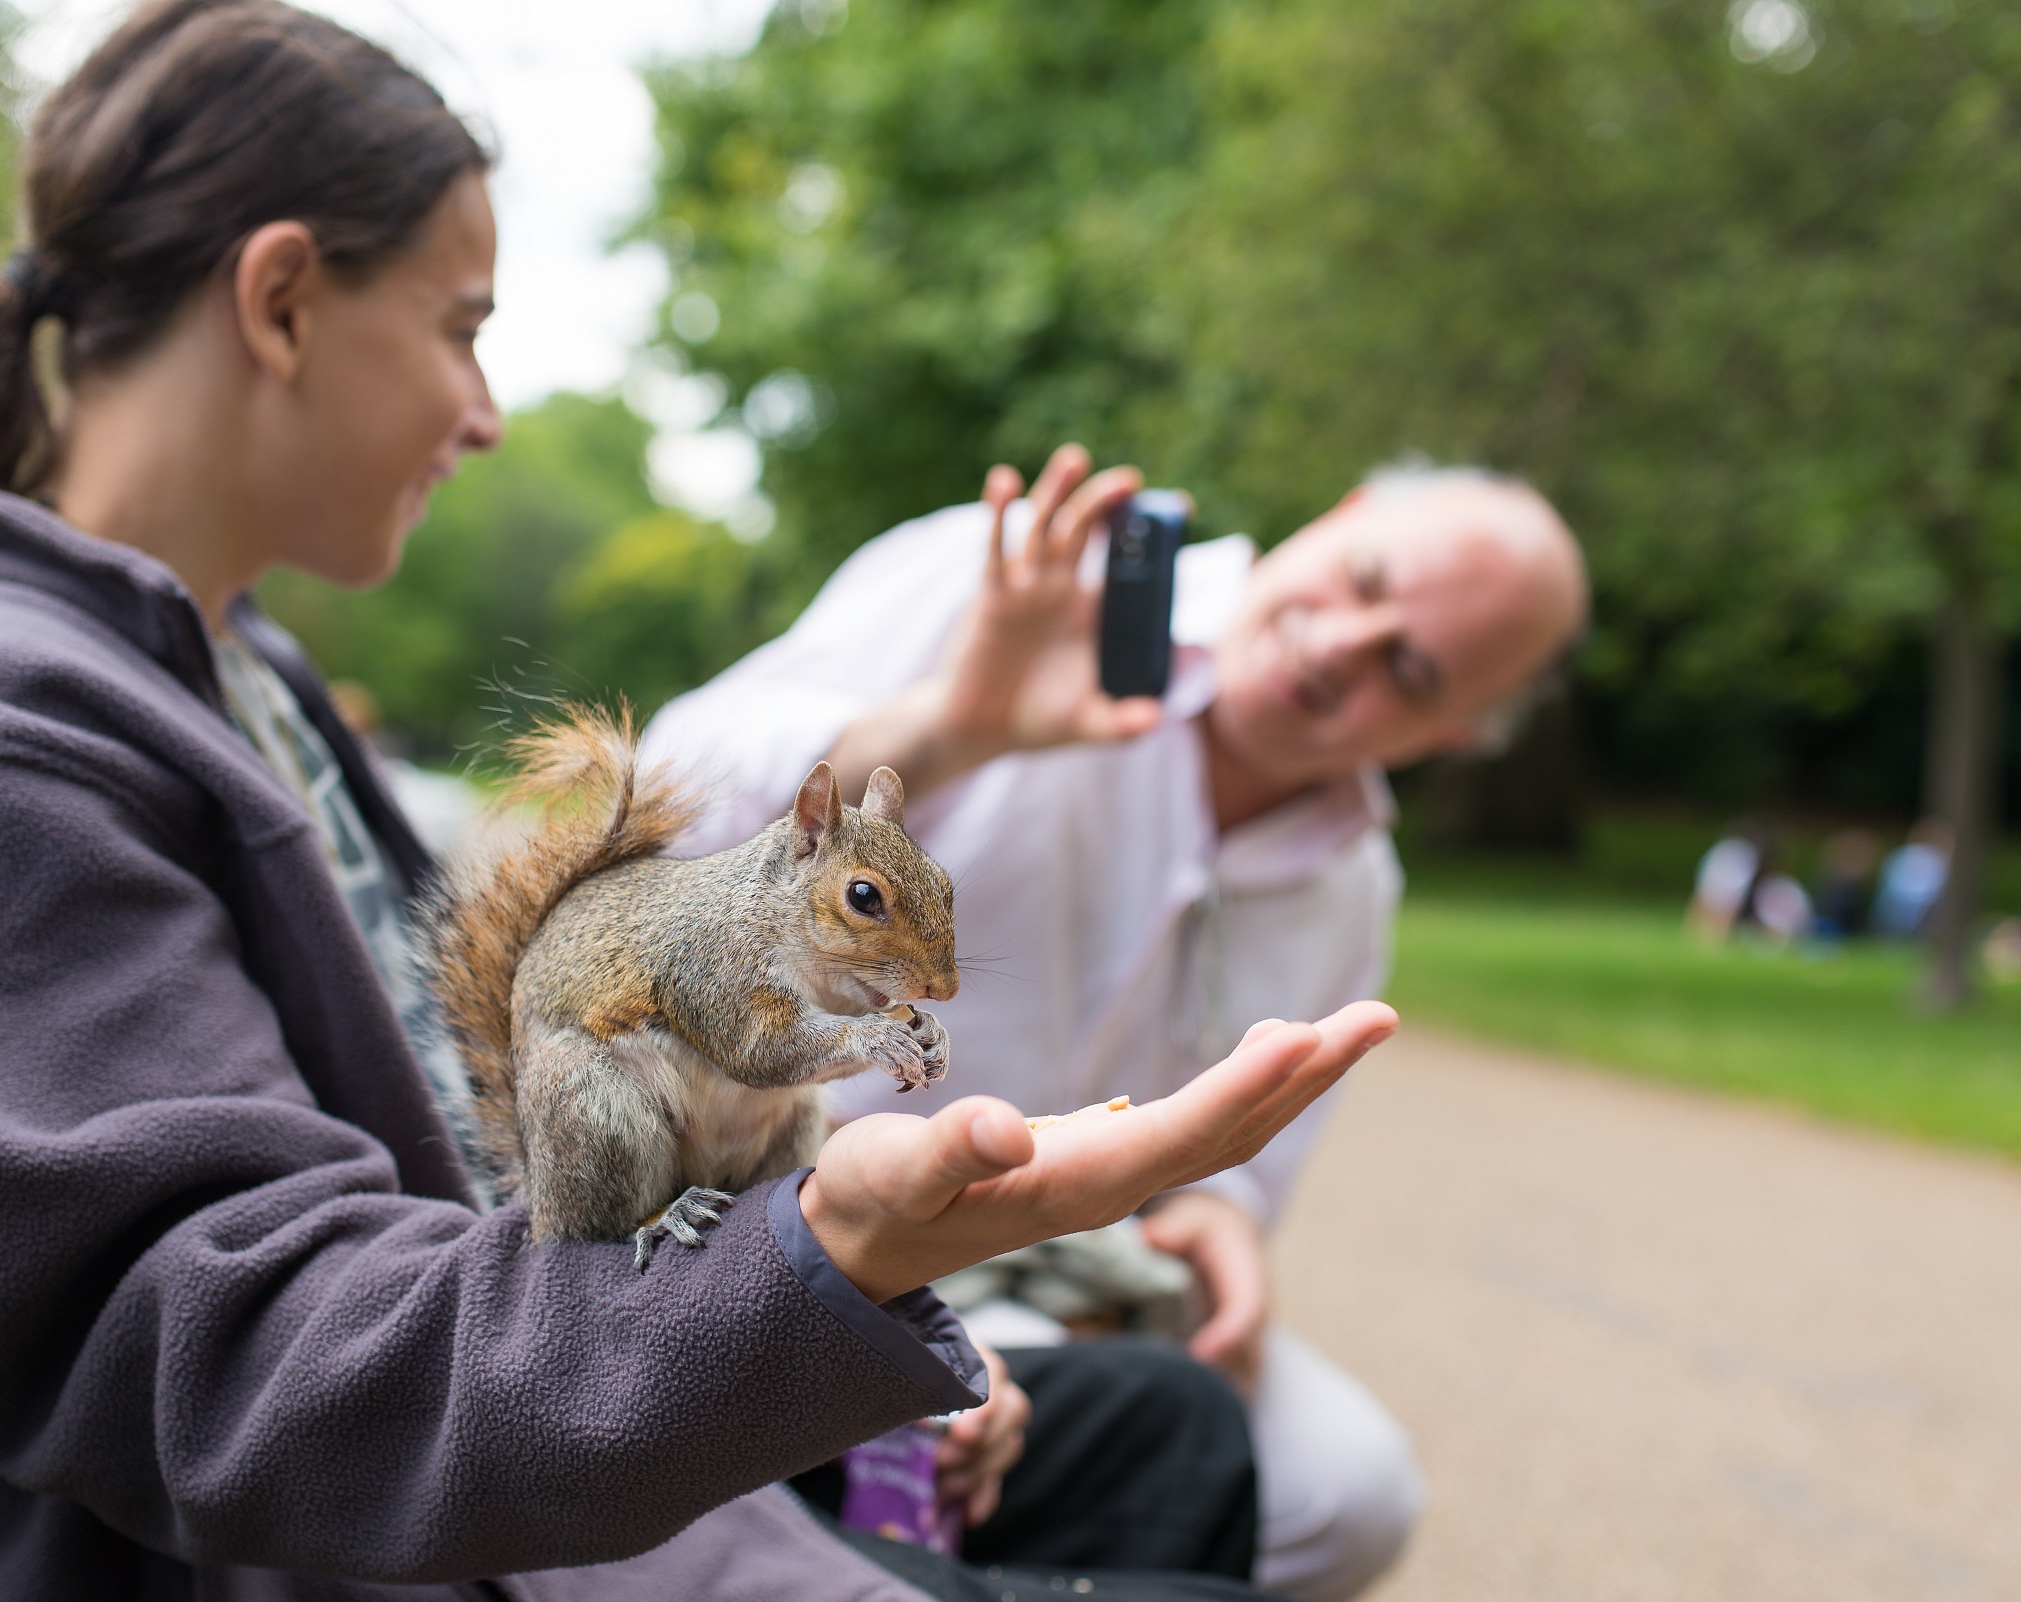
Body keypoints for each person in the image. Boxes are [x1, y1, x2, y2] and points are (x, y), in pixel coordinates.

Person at [0, 5, 1396, 1600]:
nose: (489, 417)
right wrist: (810, 1267)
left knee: (1164, 1430)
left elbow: (468, 1136)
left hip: (512, 1474)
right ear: (283, 300)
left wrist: (807, 1303)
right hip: (415, 1534)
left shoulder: (229, 679)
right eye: (461, 331)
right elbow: (245, 1366)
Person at [647, 447, 1589, 1601]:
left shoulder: (1352, 884)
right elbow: (660, 801)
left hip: (1061, 1281)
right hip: (767, 1206)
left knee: (1349, 1494)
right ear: (1336, 513)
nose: (1339, 644)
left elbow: (1234, 1163)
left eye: (1408, 664)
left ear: (1455, 733)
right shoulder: (1021, 578)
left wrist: (1223, 1220)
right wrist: (958, 722)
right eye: (1365, 576)